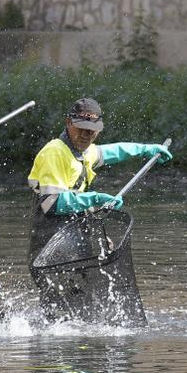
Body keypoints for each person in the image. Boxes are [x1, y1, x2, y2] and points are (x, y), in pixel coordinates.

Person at [27, 97, 173, 320]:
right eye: (82, 129)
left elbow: (115, 151)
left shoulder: (85, 152)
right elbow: (52, 204)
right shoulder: (55, 152)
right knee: (61, 313)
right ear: (69, 123)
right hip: (50, 248)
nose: (86, 135)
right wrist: (94, 199)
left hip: (75, 241)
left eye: (92, 131)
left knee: (84, 310)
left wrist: (146, 150)